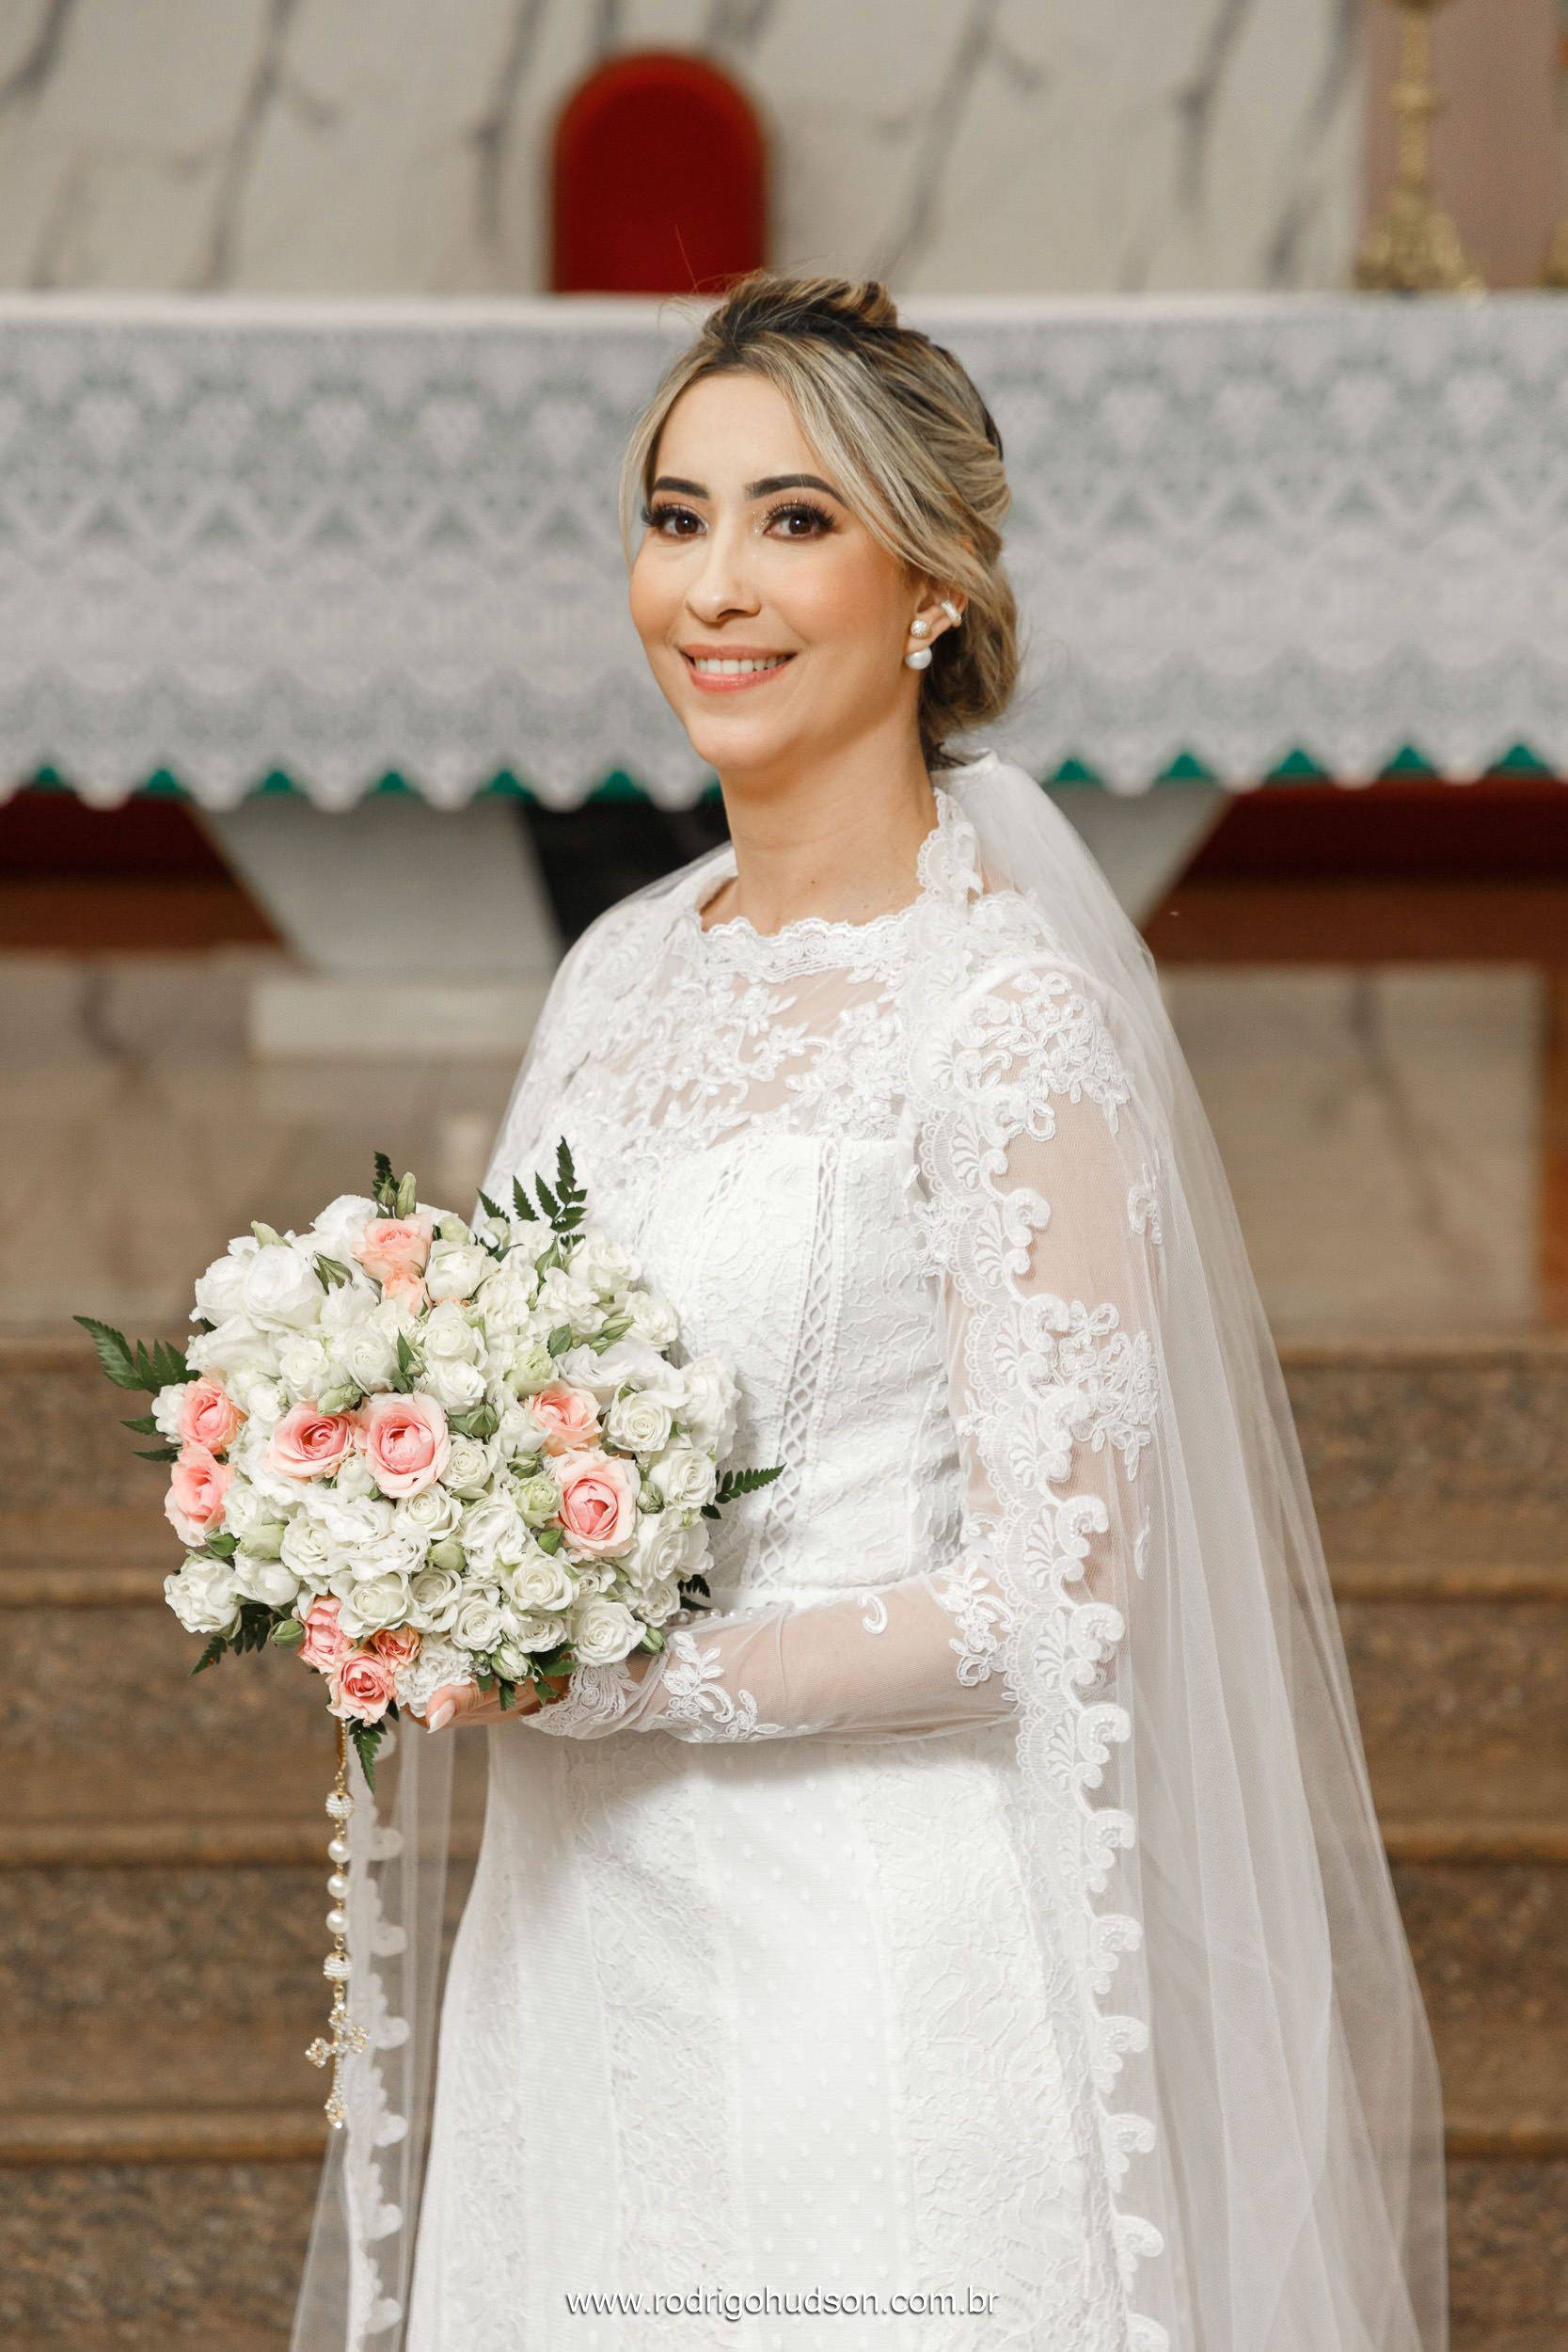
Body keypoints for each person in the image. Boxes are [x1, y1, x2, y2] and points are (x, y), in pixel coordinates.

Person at [292, 271, 1448, 2351]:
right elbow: (521, 1416)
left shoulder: (1003, 1016)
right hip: (574, 1955)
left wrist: (611, 1679)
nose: (714, 586)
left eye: (794, 519)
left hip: (865, 1986)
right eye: (676, 515)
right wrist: (402, 1545)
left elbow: (1049, 1596)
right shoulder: (619, 968)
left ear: (933, 585)